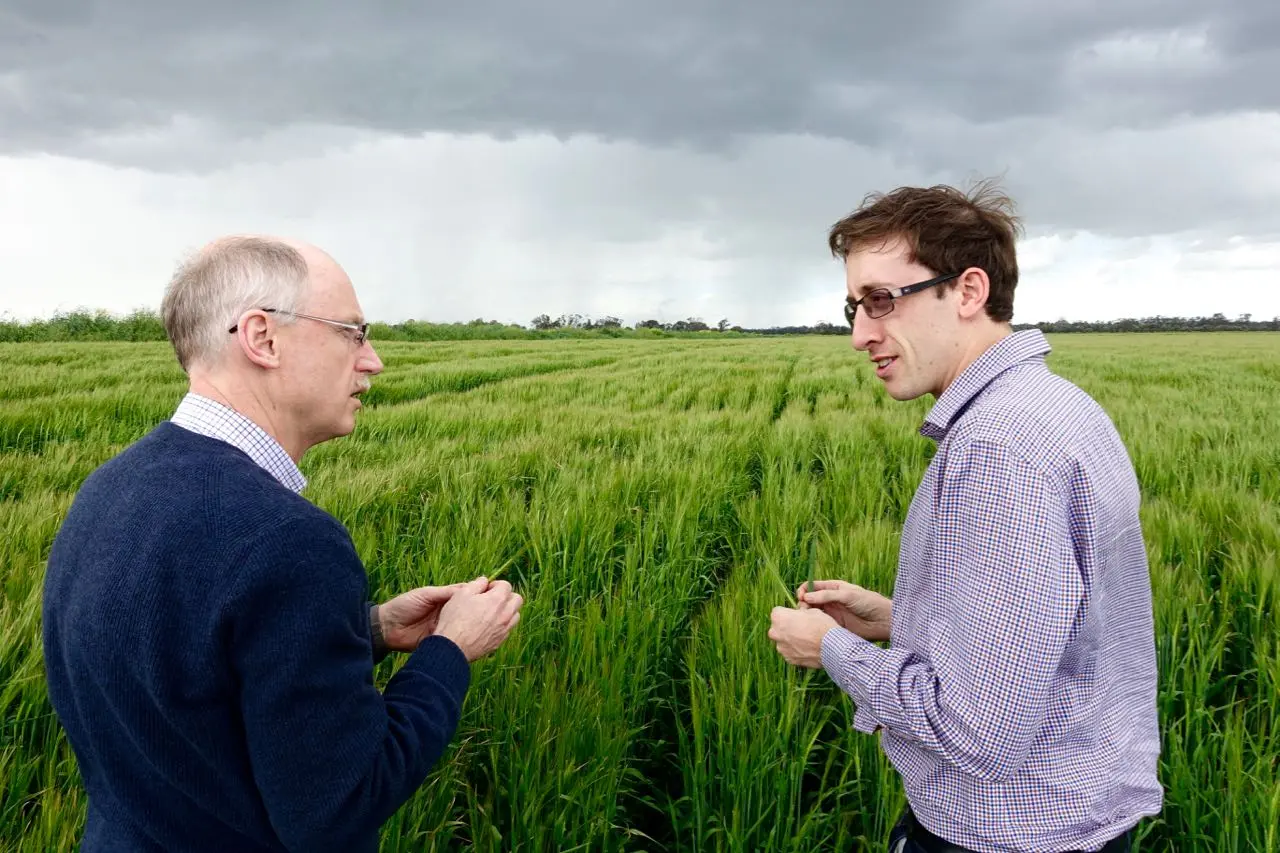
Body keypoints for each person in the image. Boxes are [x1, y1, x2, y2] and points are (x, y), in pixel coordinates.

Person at [42, 235, 524, 853]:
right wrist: (450, 652)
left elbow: (188, 678)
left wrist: (369, 631)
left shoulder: (111, 485)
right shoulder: (291, 541)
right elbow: (340, 806)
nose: (373, 360)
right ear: (262, 338)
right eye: (353, 332)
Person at [767, 181, 1162, 852]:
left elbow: (979, 730)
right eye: (853, 307)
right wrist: (900, 617)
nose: (861, 334)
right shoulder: (1059, 404)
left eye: (882, 300)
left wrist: (832, 650)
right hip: (1073, 818)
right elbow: (1059, 632)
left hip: (1003, 833)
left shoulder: (998, 447)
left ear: (969, 291)